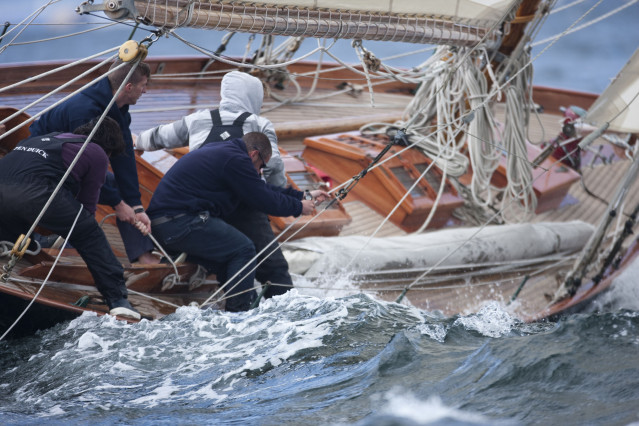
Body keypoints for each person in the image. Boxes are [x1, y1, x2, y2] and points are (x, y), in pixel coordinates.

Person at [136, 70, 296, 298]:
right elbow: (274, 165)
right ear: (254, 97)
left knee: (229, 252)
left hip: (205, 207)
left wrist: (138, 141)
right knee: (274, 269)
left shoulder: (199, 119)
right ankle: (278, 310)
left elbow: (160, 136)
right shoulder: (259, 123)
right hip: (244, 207)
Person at [146, 132, 328, 312]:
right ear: (254, 154)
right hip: (178, 223)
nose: (259, 172)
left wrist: (304, 195)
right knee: (243, 249)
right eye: (261, 166)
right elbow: (263, 200)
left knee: (229, 257)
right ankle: (239, 315)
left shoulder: (227, 153)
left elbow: (261, 188)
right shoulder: (235, 160)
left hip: (170, 223)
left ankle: (241, 308)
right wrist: (298, 207)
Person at [0, 117, 140, 319]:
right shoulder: (96, 151)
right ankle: (118, 300)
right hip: (35, 193)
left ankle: (23, 251)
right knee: (89, 233)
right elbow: (87, 205)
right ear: (109, 147)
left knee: (12, 222)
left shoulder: (45, 138)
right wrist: (75, 233)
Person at [29, 59, 158, 265]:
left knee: (117, 186)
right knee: (85, 190)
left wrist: (135, 205)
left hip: (71, 163)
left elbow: (123, 157)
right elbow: (88, 169)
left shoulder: (118, 108)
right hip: (42, 167)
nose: (145, 91)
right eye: (144, 85)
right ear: (129, 87)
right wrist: (118, 204)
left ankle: (143, 257)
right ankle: (48, 238)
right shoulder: (85, 112)